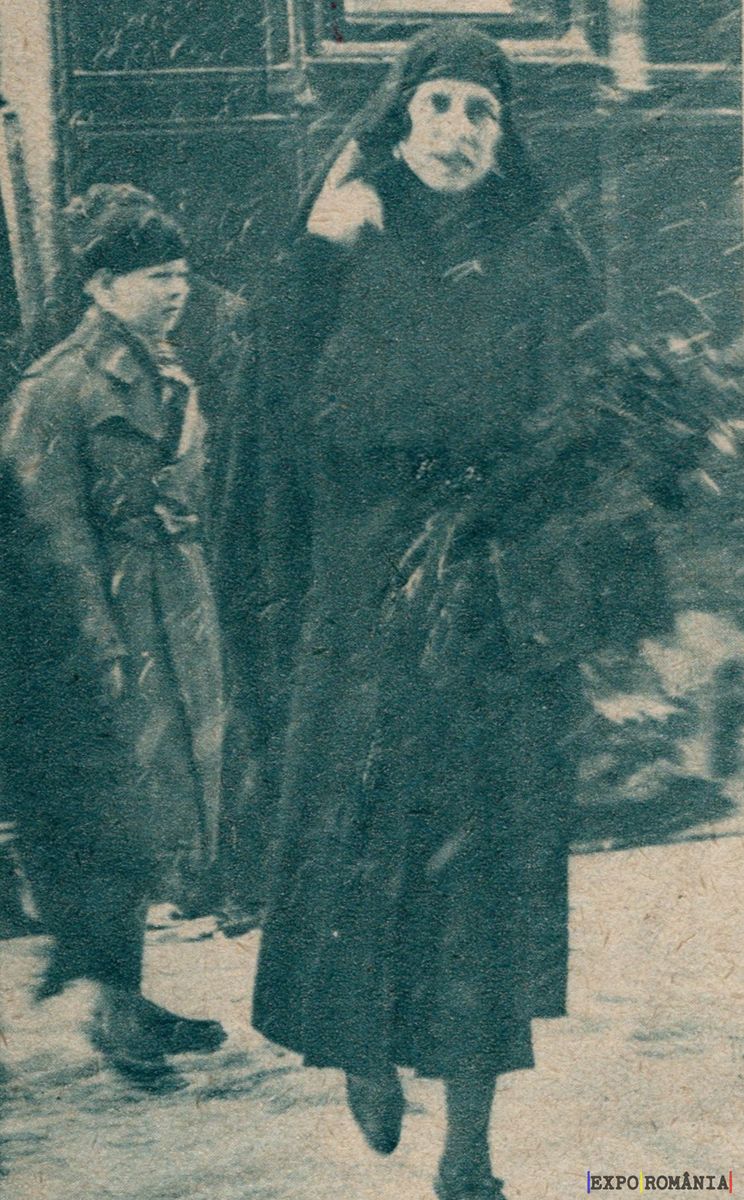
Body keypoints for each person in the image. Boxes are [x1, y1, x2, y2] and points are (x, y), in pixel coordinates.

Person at [223, 25, 703, 1199]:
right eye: (438, 104)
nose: (457, 131)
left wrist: (589, 461)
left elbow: (590, 409)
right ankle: (365, 1053)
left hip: (496, 617)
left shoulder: (538, 252)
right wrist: (317, 261)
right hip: (370, 608)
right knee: (364, 854)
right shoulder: (340, 234)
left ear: (504, 132)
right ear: (401, 117)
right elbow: (273, 413)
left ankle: (471, 1149)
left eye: (481, 111)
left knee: (484, 888)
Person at [1, 184, 226, 1089]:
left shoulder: (165, 368)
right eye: (154, 276)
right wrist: (95, 648)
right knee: (113, 814)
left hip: (178, 604)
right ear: (100, 286)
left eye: (180, 274)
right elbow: (48, 537)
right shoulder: (58, 388)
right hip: (113, 623)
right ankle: (112, 1009)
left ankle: (127, 996)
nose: (175, 291)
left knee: (164, 802)